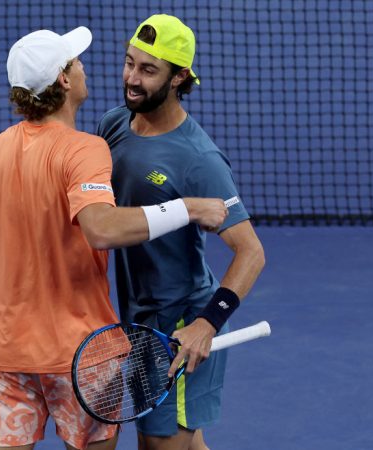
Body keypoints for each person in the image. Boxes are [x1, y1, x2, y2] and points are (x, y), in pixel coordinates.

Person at [0, 26, 229, 450]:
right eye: (77, 62)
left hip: (7, 358)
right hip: (85, 359)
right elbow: (101, 229)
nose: (88, 68)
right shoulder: (86, 149)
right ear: (65, 80)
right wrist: (189, 208)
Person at [97, 14, 266, 450]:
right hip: (137, 319)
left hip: (178, 327)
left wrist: (207, 324)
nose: (132, 79)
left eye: (148, 70)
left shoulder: (199, 160)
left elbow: (251, 252)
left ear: (179, 77)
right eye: (129, 63)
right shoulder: (113, 124)